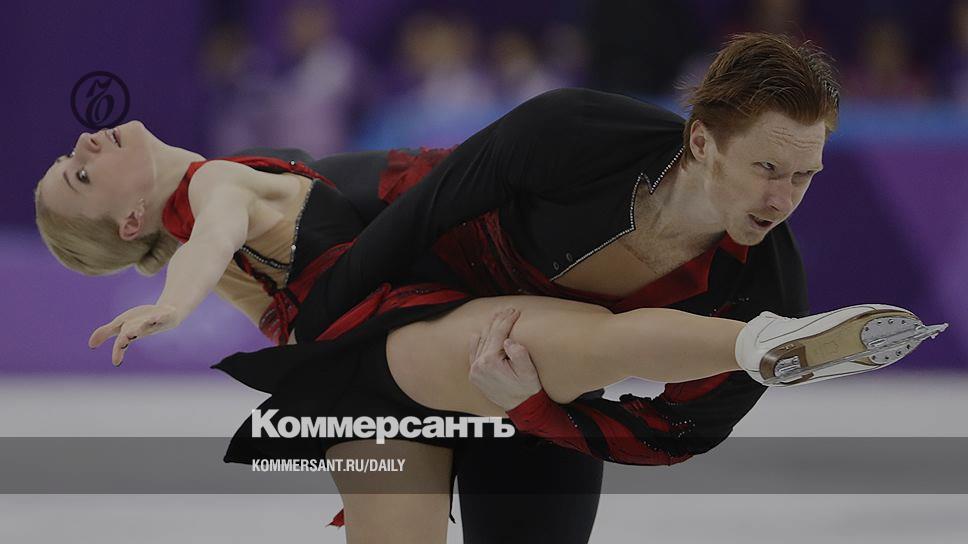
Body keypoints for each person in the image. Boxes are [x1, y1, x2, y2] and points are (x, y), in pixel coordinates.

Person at [33, 33, 944, 544]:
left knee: (526, 353)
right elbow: (410, 220)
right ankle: (755, 345)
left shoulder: (764, 273)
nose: (783, 201)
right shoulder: (212, 192)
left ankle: (759, 344)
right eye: (77, 176)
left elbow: (683, 431)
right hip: (389, 339)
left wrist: (533, 411)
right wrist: (211, 315)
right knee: (520, 339)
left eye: (806, 176)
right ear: (703, 141)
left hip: (464, 371)